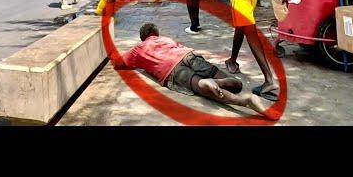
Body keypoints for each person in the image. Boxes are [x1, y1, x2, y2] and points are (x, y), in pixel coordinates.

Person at [111, 23, 274, 118]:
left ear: (143, 37)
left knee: (198, 85)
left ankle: (244, 101)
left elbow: (118, 63)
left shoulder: (138, 49)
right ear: (156, 34)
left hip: (171, 68)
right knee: (235, 85)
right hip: (188, 55)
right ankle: (222, 80)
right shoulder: (165, 39)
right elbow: (180, 48)